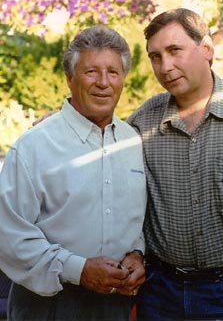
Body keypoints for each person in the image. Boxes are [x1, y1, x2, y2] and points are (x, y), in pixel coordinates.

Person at [127, 8, 223, 321]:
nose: (165, 66)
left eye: (174, 50)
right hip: (159, 290)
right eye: (155, 56)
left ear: (207, 49)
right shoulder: (142, 120)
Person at [0, 25, 147, 321]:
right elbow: (8, 235)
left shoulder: (133, 140)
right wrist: (77, 270)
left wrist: (137, 254)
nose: (103, 83)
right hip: (49, 305)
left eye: (113, 72)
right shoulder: (34, 146)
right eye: (91, 71)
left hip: (115, 305)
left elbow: (135, 219)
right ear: (69, 78)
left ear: (123, 79)